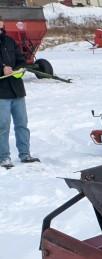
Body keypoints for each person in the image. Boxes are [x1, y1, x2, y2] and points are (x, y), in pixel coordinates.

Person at [0, 18, 38, 169]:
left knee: (22, 124)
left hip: (17, 91)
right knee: (2, 126)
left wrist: (20, 69)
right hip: (1, 94)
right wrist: (2, 69)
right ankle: (4, 158)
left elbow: (21, 60)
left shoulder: (9, 41)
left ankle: (25, 154)